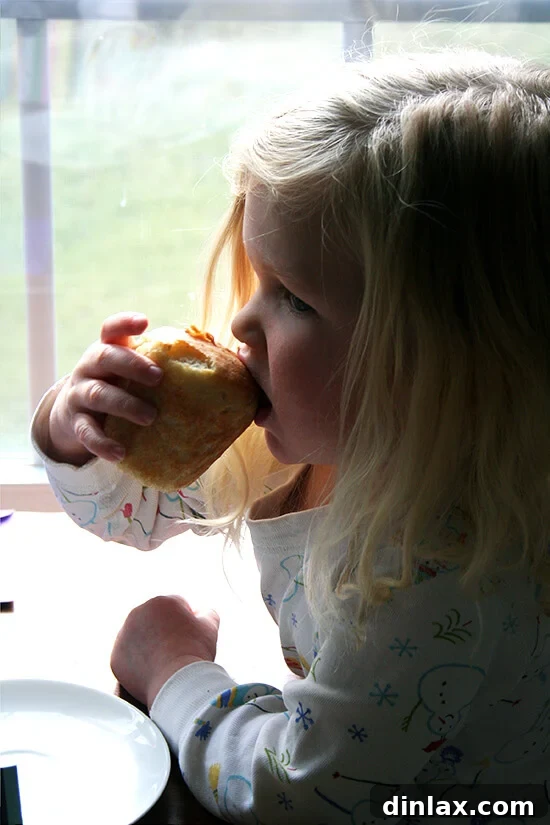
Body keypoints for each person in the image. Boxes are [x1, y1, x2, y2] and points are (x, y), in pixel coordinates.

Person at [32, 48, 550, 823]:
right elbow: (131, 511)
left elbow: (295, 791)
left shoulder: (443, 565)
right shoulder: (324, 430)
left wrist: (172, 668)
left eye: (292, 299)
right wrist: (78, 429)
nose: (241, 320)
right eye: (257, 276)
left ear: (440, 362)